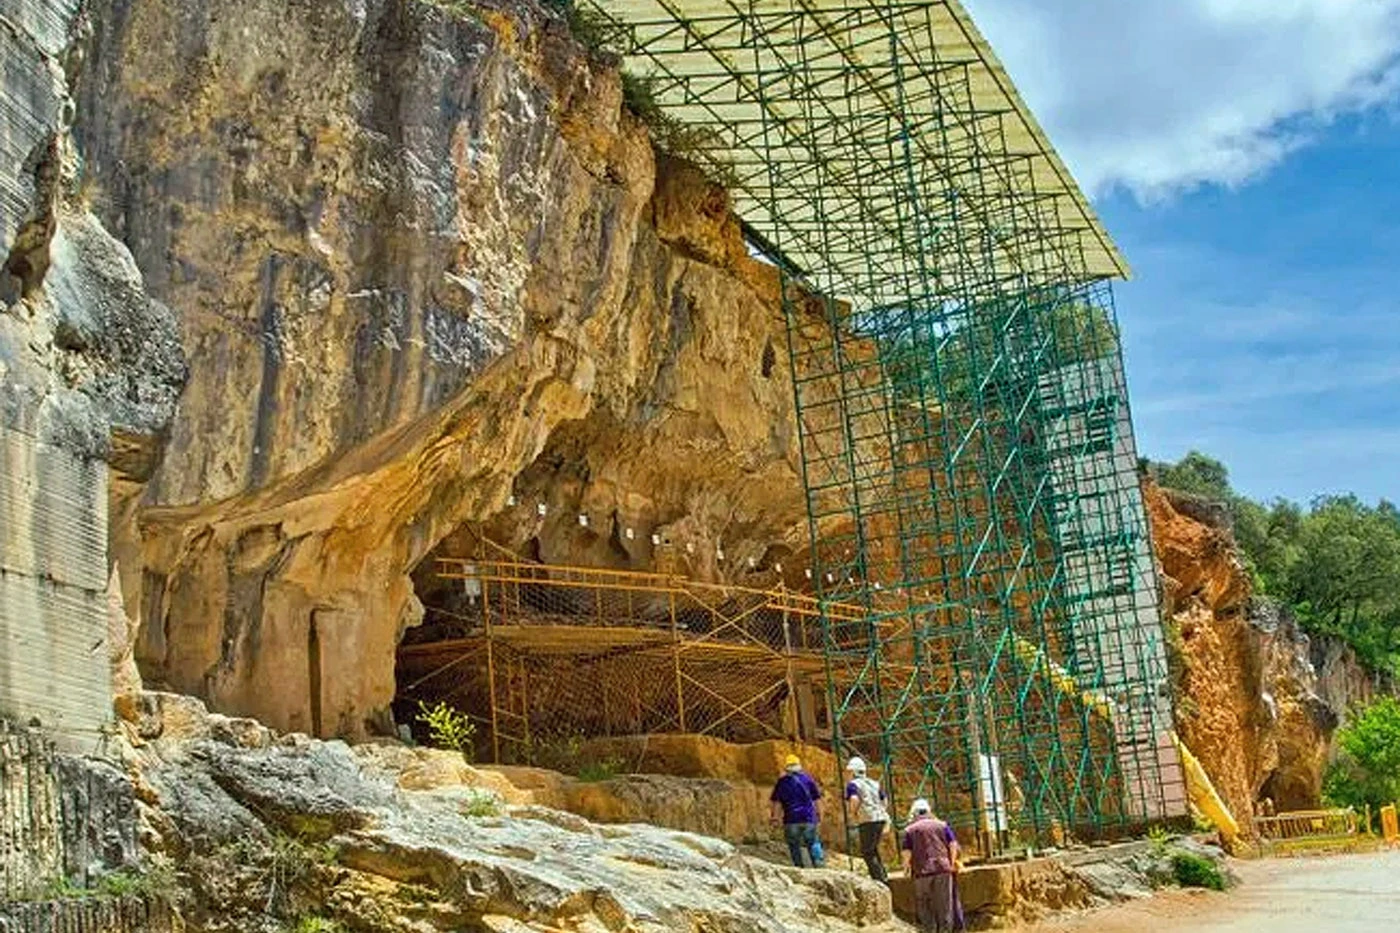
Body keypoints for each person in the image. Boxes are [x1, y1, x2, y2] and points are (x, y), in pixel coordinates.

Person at [900, 798, 964, 932]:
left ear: (914, 813)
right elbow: (953, 844)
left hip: (921, 871)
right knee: (945, 905)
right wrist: (951, 862)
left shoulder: (909, 830)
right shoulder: (942, 825)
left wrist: (906, 868)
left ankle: (930, 930)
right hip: (943, 868)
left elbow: (907, 852)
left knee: (924, 904)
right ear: (928, 811)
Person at [770, 753, 825, 868]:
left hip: (791, 820)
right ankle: (819, 865)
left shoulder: (782, 782)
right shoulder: (808, 780)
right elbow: (817, 799)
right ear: (799, 766)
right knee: (813, 842)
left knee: (794, 846)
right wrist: (820, 813)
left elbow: (777, 802)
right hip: (809, 818)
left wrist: (775, 818)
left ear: (786, 767)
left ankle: (799, 867)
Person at [844, 756, 890, 882]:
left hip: (867, 820)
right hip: (880, 818)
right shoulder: (874, 783)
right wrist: (881, 810)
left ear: (853, 772)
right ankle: (883, 875)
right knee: (873, 848)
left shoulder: (853, 785)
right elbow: (884, 800)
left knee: (867, 852)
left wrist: (853, 813)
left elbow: (854, 799)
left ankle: (879, 879)